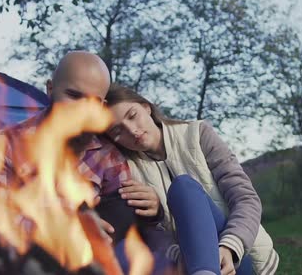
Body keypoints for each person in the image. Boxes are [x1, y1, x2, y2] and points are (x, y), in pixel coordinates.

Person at [104, 84, 279, 275]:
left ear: (146, 107)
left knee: (184, 187)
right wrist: (157, 215)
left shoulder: (197, 134)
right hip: (186, 264)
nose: (132, 130)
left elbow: (246, 199)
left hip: (237, 257)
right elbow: (148, 235)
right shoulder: (127, 170)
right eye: (117, 131)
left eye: (132, 115)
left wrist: (230, 247)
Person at [0, 51, 162, 243]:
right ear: (51, 89)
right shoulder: (7, 144)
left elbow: (129, 219)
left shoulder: (108, 156)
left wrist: (153, 209)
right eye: (74, 95)